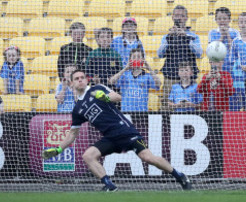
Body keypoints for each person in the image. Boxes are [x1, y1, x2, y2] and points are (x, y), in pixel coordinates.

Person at [41, 69, 192, 192]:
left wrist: (105, 97)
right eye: (77, 78)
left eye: (82, 77)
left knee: (148, 158)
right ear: (72, 83)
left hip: (124, 131)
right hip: (110, 138)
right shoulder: (77, 110)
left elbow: (118, 97)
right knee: (88, 156)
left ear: (86, 80)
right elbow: (72, 134)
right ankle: (109, 185)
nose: (80, 80)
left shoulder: (96, 89)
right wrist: (59, 148)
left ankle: (179, 175)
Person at [157, 5, 203, 110]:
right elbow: (159, 54)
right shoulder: (166, 36)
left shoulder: (193, 36)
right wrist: (169, 37)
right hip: (170, 76)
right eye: (177, 15)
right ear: (172, 17)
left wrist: (186, 37)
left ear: (186, 18)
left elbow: (199, 53)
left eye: (182, 16)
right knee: (167, 106)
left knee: (190, 105)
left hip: (189, 77)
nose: (179, 18)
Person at [208, 7, 239, 72]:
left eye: (225, 18)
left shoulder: (235, 32)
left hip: (232, 65)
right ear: (216, 20)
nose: (222, 21)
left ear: (229, 20)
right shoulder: (212, 33)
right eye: (219, 19)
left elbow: (234, 49)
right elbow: (214, 50)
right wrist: (222, 36)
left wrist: (227, 34)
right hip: (217, 66)